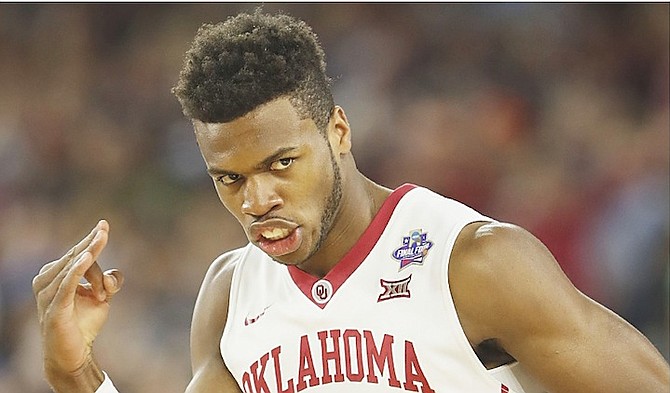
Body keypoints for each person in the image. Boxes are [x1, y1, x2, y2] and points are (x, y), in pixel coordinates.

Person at [32, 10, 669, 393]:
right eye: (229, 179)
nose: (257, 200)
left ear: (338, 129)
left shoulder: (474, 263)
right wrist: (74, 369)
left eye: (281, 164)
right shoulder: (232, 294)